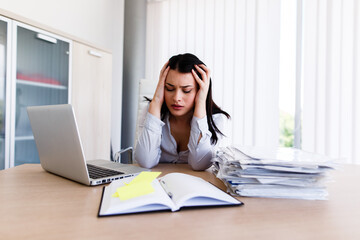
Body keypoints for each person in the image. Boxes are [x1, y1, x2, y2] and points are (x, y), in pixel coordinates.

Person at [134, 53, 230, 170]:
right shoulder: (153, 111)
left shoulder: (217, 119)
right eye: (169, 88)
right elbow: (146, 161)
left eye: (186, 90)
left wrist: (200, 103)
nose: (176, 98)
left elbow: (199, 164)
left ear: (200, 90)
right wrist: (157, 100)